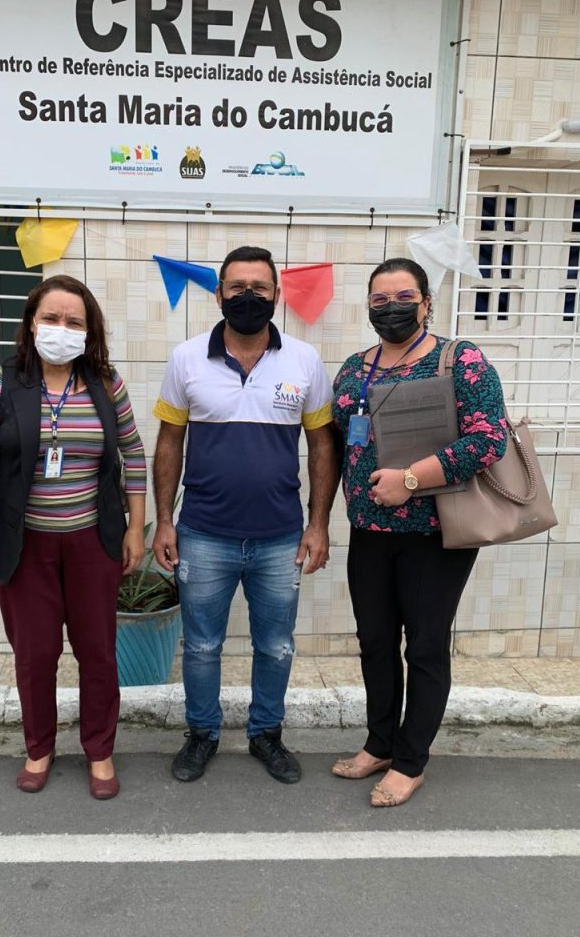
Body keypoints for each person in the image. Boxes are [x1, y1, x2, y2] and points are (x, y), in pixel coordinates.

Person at [0, 274, 146, 800]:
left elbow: (133, 455)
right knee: (35, 655)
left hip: (92, 543)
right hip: (23, 547)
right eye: (52, 318)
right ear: (31, 323)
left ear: (89, 331)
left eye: (74, 321)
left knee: (98, 653)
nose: (62, 328)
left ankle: (100, 750)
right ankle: (38, 747)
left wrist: (135, 528)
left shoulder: (106, 383)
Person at [152, 246, 337, 784]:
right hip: (203, 534)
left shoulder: (305, 360)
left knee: (275, 646)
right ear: (219, 294)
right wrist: (164, 520)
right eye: (237, 287)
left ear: (277, 295)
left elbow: (322, 447)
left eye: (259, 287)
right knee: (201, 646)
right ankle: (202, 734)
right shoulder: (187, 358)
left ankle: (266, 734)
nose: (248, 296)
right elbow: (169, 442)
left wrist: (318, 524)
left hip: (280, 538)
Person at [331, 257, 507, 806]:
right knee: (374, 642)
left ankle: (411, 762)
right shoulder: (354, 369)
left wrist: (410, 479)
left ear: (427, 303)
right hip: (368, 530)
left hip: (435, 533)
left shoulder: (461, 360)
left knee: (425, 647)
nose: (392, 308)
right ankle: (380, 743)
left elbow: (488, 439)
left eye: (404, 297)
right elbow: (338, 441)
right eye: (380, 300)